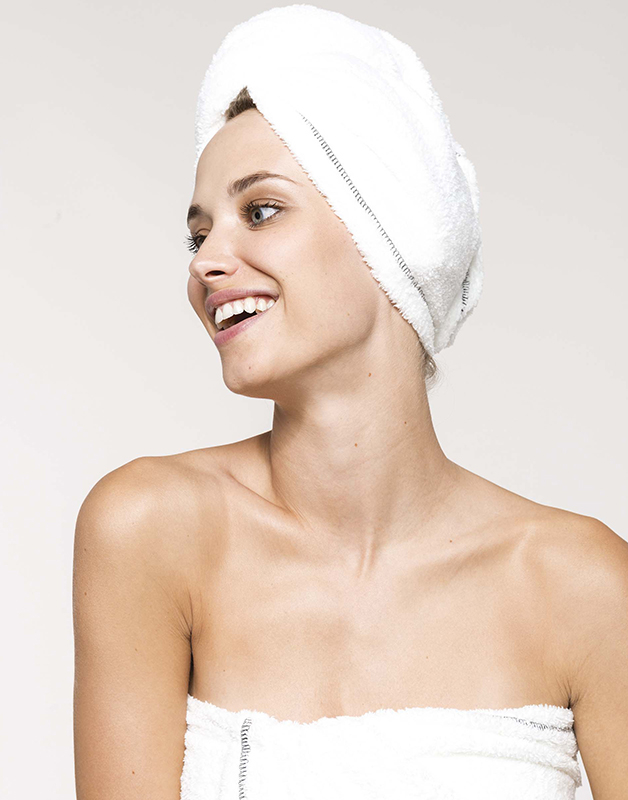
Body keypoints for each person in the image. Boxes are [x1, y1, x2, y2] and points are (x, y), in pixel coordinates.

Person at [72, 6, 628, 799]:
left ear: (388, 233)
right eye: (199, 235)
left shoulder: (582, 585)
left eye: (260, 211)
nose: (207, 263)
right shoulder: (151, 530)